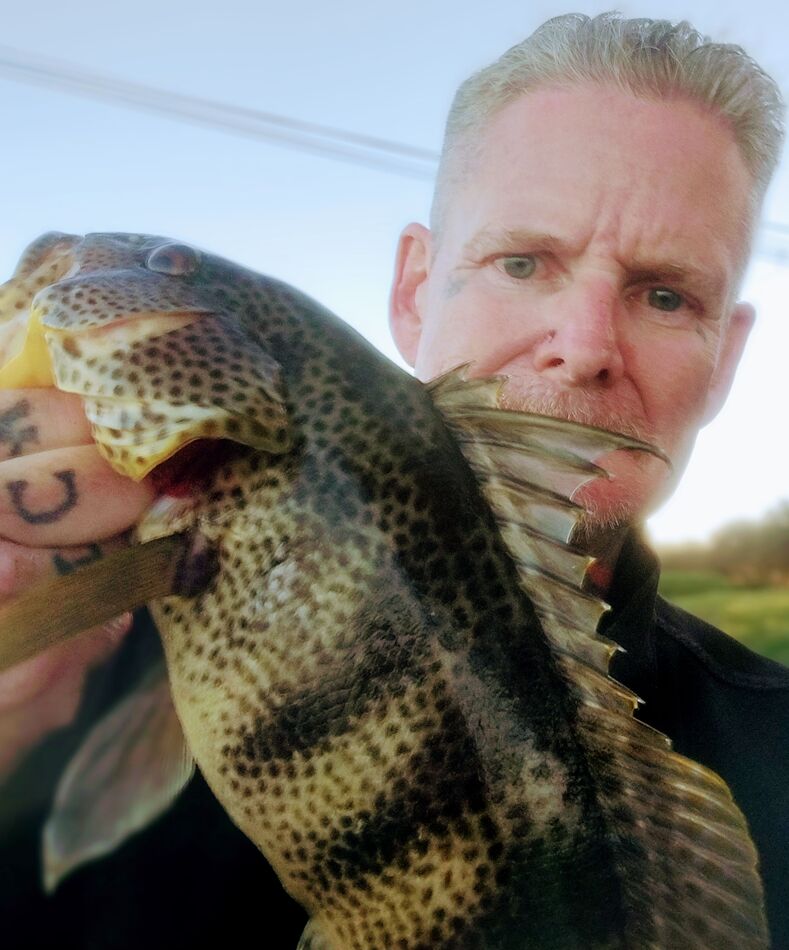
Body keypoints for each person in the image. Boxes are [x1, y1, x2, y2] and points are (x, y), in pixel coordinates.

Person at [1, 11, 787, 948]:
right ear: (414, 291)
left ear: (724, 357)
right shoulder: (70, 636)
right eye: (522, 262)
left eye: (665, 294)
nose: (582, 348)